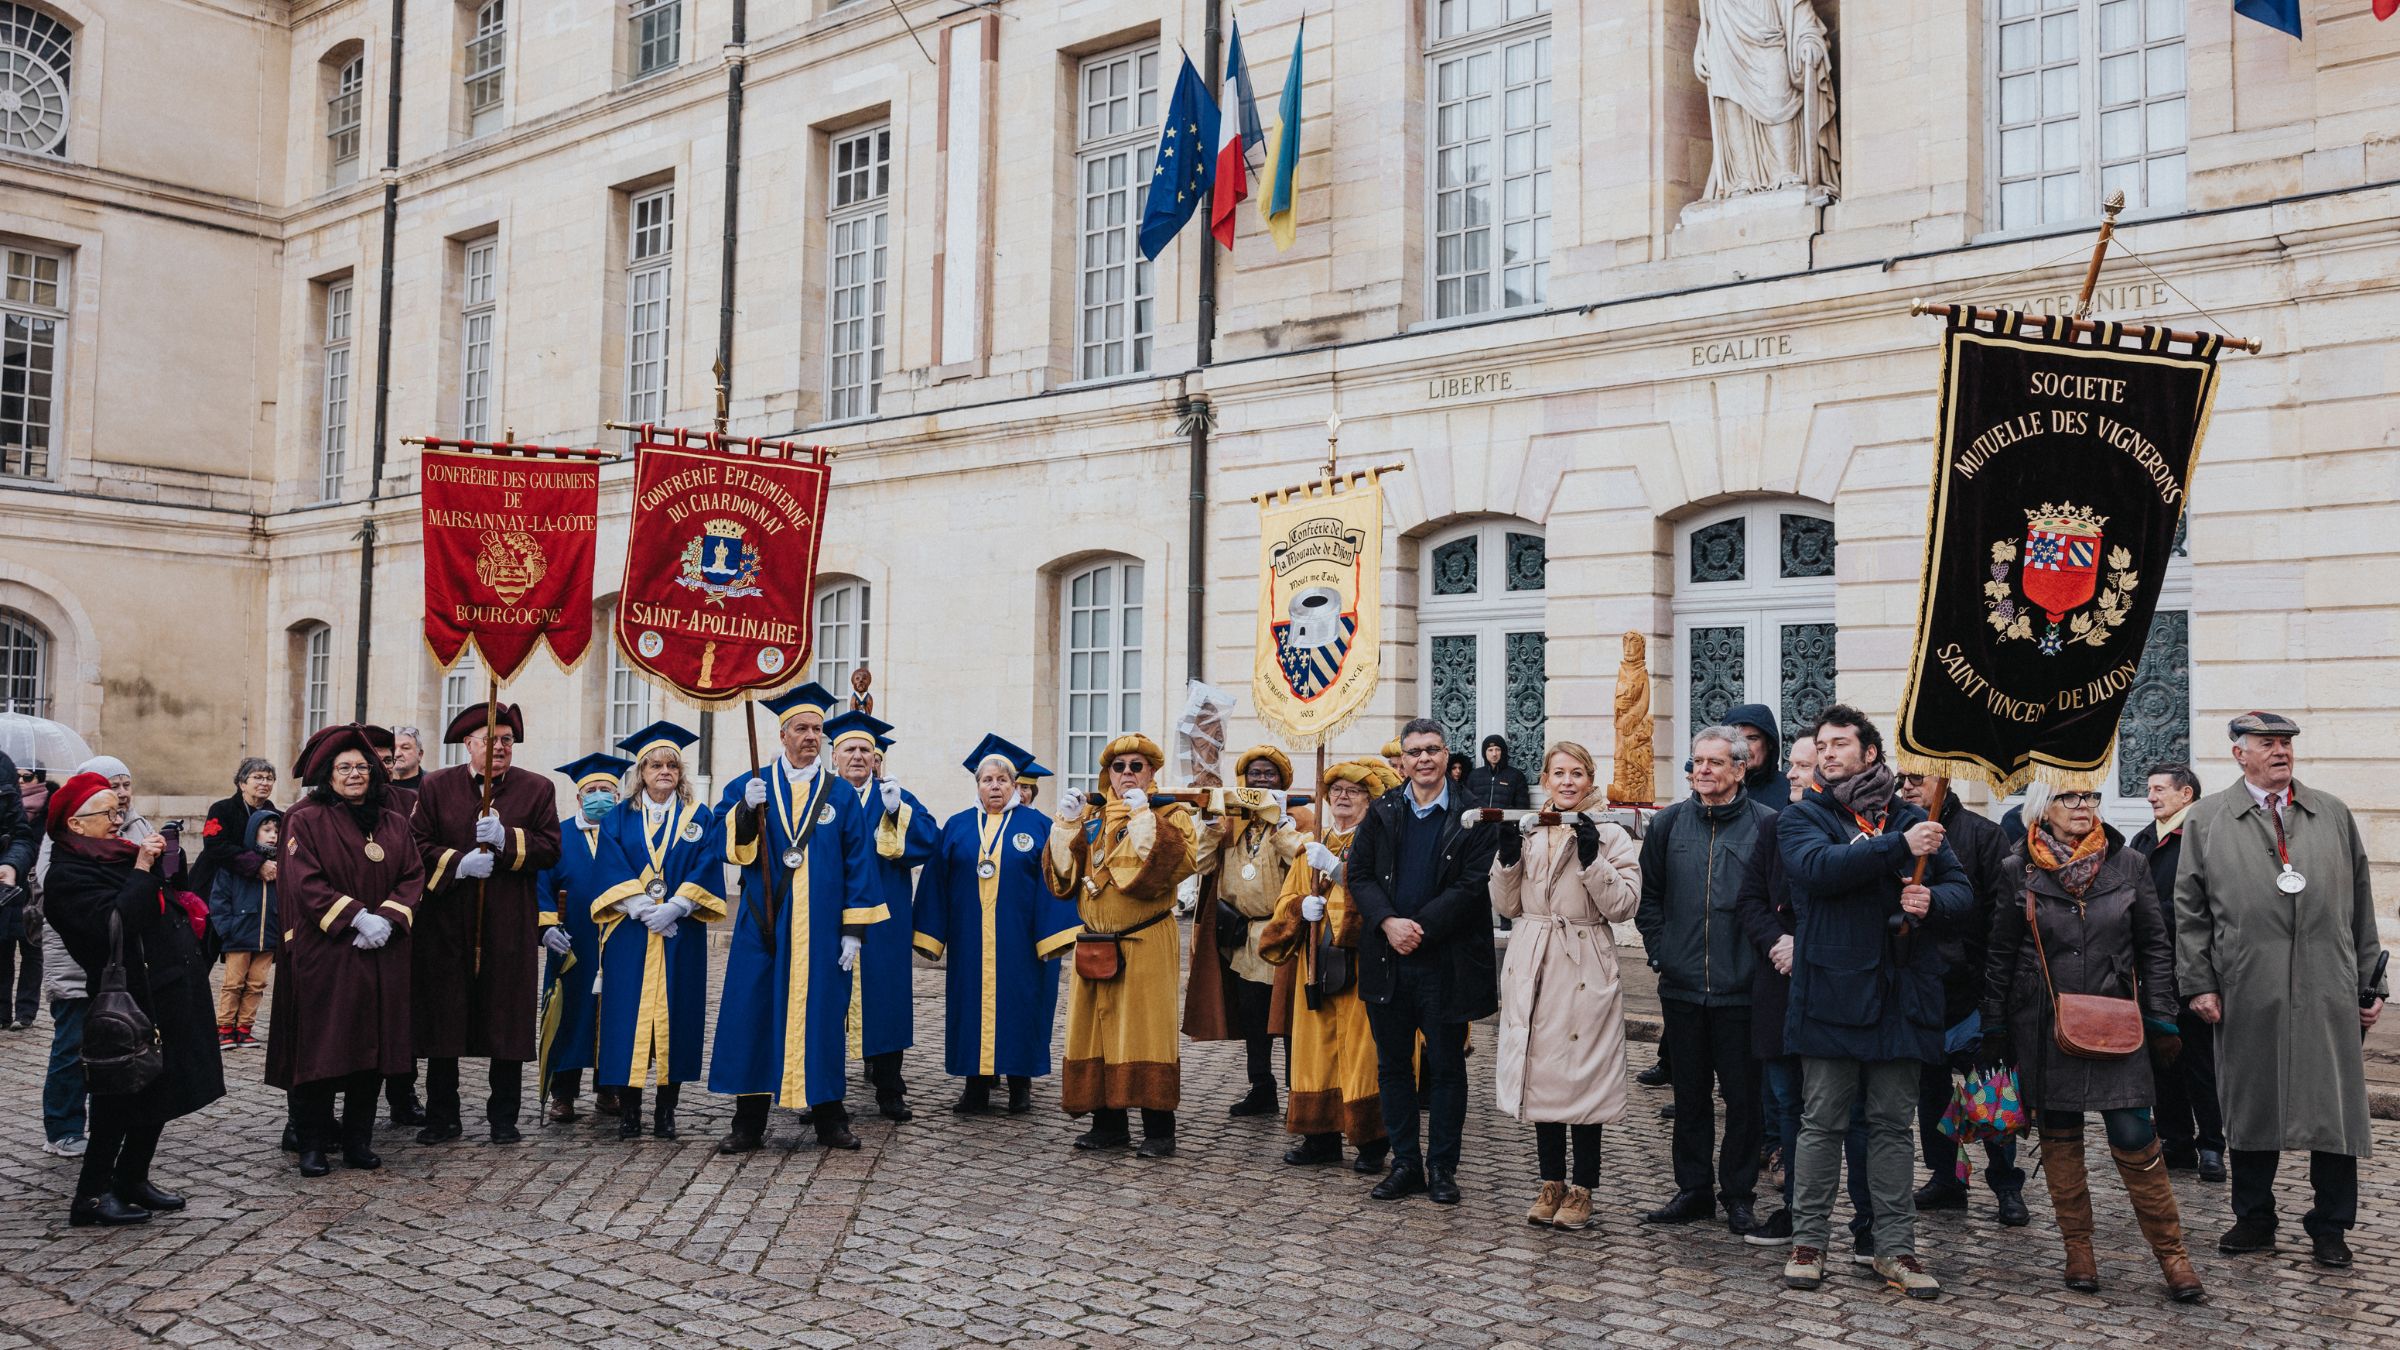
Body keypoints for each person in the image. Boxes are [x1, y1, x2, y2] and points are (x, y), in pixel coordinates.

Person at [2174, 711, 2386, 1270]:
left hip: (2327, 984)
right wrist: (2199, 982)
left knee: (2334, 1110)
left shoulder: (2331, 813)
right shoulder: (2207, 819)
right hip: (2247, 982)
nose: (2280, 752)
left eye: (2286, 743)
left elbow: (2361, 903)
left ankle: (2330, 1226)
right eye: (2267, 743)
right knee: (2252, 1101)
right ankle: (2254, 1218)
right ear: (2239, 753)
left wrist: (2371, 983)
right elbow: (2189, 910)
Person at [1776, 705, 1969, 1301]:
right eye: (1822, 746)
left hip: (1901, 996)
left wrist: (1931, 903)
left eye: (1840, 744)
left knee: (1891, 1126)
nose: (1828, 753)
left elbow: (1962, 892)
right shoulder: (1805, 816)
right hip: (1832, 993)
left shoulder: (1916, 818)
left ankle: (1895, 1247)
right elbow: (1818, 869)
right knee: (1822, 1123)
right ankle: (1809, 1242)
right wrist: (1895, 847)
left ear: (1870, 754)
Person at [1982, 780, 2199, 1301]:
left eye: (2091, 797)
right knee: (2059, 1135)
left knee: (2134, 1132)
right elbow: (2000, 953)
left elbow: (2155, 946)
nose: (2084, 807)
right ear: (2043, 808)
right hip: (2043, 1023)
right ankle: (2077, 1248)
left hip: (2115, 1020)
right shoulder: (2018, 869)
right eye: (2070, 798)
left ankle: (2173, 1257)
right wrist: (1993, 1027)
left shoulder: (2129, 865)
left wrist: (2162, 1017)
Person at [42, 771, 225, 1225]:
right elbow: (114, 925)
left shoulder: (117, 854)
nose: (117, 818)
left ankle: (131, 1178)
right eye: (106, 812)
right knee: (119, 1097)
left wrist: (166, 865)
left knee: (160, 1089)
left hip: (165, 988)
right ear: (76, 824)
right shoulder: (67, 875)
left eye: (118, 810)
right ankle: (91, 1196)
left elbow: (161, 901)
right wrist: (143, 870)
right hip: (125, 1000)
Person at [710, 682, 882, 1153]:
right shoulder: (752, 784)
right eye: (801, 728)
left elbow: (859, 861)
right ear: (782, 734)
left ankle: (829, 1119)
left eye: (817, 729)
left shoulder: (839, 794)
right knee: (753, 1013)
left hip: (820, 931)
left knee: (822, 1017)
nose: (811, 736)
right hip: (762, 924)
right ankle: (747, 1122)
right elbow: (722, 846)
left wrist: (853, 931)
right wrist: (745, 810)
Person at [1347, 718, 1500, 1206]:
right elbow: (1359, 874)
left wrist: (1420, 928)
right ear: (1403, 761)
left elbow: (1472, 885)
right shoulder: (1383, 810)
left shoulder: (1474, 814)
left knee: (1447, 1068)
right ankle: (1407, 1164)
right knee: (1393, 1067)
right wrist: (1389, 923)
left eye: (1432, 749)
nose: (1424, 759)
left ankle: (1442, 1168)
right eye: (1414, 752)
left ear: (1446, 754)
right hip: (1388, 960)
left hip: (1446, 963)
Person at [1492, 741, 1641, 1231]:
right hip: (1535, 958)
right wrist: (1507, 861)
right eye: (1558, 773)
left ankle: (1583, 1188)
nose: (1568, 782)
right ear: (1545, 779)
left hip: (1583, 962)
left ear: (1590, 778)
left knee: (1583, 1074)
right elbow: (1507, 906)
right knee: (1543, 1072)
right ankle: (1551, 1180)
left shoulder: (1611, 832)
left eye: (1577, 773)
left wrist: (1594, 860)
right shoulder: (1531, 829)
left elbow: (1624, 906)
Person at [1636, 726, 1774, 1235]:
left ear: (1741, 768)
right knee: (1690, 1097)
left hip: (1742, 990)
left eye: (1716, 762)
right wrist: (1661, 953)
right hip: (1682, 987)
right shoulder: (1668, 824)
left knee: (1743, 1101)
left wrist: (1761, 964)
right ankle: (1693, 1189)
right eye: (1698, 761)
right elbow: (1650, 899)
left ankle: (1738, 1194)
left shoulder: (1768, 825)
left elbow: (1778, 904)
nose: (1704, 770)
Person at [408, 702, 563, 1146]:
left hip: (508, 920)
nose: (499, 748)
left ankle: (504, 1118)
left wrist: (506, 839)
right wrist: (458, 863)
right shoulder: (436, 786)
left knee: (506, 1018)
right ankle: (442, 1116)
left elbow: (550, 848)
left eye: (507, 741)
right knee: (444, 1018)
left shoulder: (537, 789)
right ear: (468, 744)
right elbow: (415, 844)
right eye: (490, 740)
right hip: (447, 921)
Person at [271, 725, 423, 1177]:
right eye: (344, 768)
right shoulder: (305, 819)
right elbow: (305, 881)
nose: (354, 774)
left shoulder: (393, 822)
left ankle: (358, 1142)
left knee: (371, 1052)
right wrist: (357, 917)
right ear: (329, 775)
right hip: (328, 952)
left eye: (361, 767)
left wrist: (388, 919)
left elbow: (412, 875)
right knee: (321, 1051)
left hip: (381, 953)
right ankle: (313, 1146)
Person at [1044, 733, 1198, 1158]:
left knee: (1146, 1031)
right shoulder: (1093, 815)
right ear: (1107, 773)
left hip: (1144, 938)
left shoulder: (1171, 813)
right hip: (1095, 940)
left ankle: (1159, 1129)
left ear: (1151, 772)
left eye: (1136, 766)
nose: (1127, 773)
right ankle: (1107, 1124)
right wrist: (1065, 826)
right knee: (1096, 1029)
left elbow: (1174, 867)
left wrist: (1144, 817)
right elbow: (1064, 878)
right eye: (1119, 767)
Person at [913, 735, 1078, 1115]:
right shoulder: (957, 827)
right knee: (970, 1007)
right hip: (970, 939)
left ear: (1015, 785)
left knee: (1022, 1007)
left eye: (1003, 780)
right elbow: (936, 881)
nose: (995, 787)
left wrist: (1049, 935)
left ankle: (1020, 1086)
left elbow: (1054, 880)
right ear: (977, 785)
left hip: (1021, 941)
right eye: (987, 780)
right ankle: (975, 1088)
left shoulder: (1037, 826)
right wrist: (933, 934)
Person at [1895, 770, 2027, 1225]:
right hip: (1924, 988)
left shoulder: (1982, 835)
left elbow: (2001, 918)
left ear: (1944, 781)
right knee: (1931, 1093)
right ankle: (1946, 1179)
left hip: (1974, 990)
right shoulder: (1899, 832)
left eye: (1918, 778)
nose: (1907, 786)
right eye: (1902, 777)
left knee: (1990, 1090)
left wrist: (1994, 993)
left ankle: (2006, 1183)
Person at [1257, 757, 1396, 1173]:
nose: (1342, 798)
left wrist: (1338, 874)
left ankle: (1370, 1141)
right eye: (1336, 791)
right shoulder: (1312, 845)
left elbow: (1384, 900)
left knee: (1362, 1055)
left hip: (1363, 965)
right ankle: (1320, 1137)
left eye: (1353, 791)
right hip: (1315, 964)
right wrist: (1301, 907)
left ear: (1370, 801)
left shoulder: (1381, 844)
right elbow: (1285, 901)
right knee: (1316, 1053)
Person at [589, 722, 723, 1142]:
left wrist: (677, 906)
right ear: (641, 773)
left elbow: (708, 862)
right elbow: (608, 862)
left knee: (677, 1016)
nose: (664, 771)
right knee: (626, 1017)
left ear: (680, 773)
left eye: (672, 765)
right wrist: (638, 905)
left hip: (679, 932)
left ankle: (666, 1110)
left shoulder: (698, 817)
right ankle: (629, 1110)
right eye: (655, 765)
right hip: (630, 932)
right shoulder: (619, 817)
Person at [1187, 745, 1310, 1119]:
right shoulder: (1231, 820)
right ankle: (1261, 1088)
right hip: (1242, 937)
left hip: (1285, 935)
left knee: (1289, 1020)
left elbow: (1307, 864)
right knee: (1254, 1020)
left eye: (1269, 774)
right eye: (1254, 774)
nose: (1261, 780)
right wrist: (1210, 826)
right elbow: (1200, 864)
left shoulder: (1300, 817)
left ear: (1282, 780)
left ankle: (1299, 1094)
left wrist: (1282, 825)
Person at [826, 710, 935, 1123]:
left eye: (865, 750)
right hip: (830, 915)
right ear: (834, 756)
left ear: (876, 758)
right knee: (826, 1002)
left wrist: (896, 813)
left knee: (887, 998)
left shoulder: (895, 796)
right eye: (849, 749)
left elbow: (928, 841)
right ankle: (824, 1092)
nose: (857, 756)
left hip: (885, 918)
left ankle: (890, 1089)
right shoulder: (821, 796)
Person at [2131, 762, 2220, 1182]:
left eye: (2159, 789)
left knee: (2201, 1063)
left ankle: (2212, 1146)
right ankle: (2176, 1141)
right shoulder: (2144, 839)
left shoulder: (2206, 835)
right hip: (2155, 969)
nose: (2150, 797)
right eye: (2149, 789)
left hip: (2195, 967)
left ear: (2186, 794)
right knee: (2163, 1058)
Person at [536, 751, 627, 1124]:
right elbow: (541, 884)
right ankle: (563, 1094)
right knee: (570, 1014)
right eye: (592, 791)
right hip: (572, 941)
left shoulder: (627, 832)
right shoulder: (558, 835)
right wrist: (546, 927)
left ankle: (610, 1089)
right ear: (578, 797)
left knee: (613, 1014)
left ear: (618, 796)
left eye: (607, 790)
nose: (600, 796)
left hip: (618, 941)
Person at [205, 804, 280, 1050]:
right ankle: (225, 1028)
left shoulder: (281, 866)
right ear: (253, 832)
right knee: (233, 984)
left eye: (276, 831)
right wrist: (227, 929)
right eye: (266, 830)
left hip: (268, 937)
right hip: (238, 935)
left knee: (257, 985)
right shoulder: (238, 866)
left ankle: (244, 1028)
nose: (272, 835)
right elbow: (219, 899)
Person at [190, 757, 277, 904]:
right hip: (218, 883)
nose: (264, 783)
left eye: (269, 778)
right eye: (258, 777)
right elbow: (215, 845)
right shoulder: (221, 809)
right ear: (242, 784)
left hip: (260, 886)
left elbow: (288, 846)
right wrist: (257, 865)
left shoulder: (277, 816)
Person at [1, 748, 38, 1032]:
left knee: (26, 952)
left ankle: (22, 1012)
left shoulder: (3, 766)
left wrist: (12, 864)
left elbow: (22, 836)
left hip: (18, 892)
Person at [1721, 704, 1789, 814]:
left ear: (1769, 743)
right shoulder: (1715, 788)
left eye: (1752, 738)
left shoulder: (1791, 790)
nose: (1744, 746)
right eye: (1736, 739)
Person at [1463, 735, 1531, 809]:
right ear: (1484, 753)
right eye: (1490, 750)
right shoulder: (1474, 776)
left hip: (1506, 817)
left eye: (1498, 749)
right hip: (1480, 817)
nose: (1494, 754)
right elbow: (1467, 804)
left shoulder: (1516, 775)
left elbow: (1522, 806)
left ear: (1503, 752)